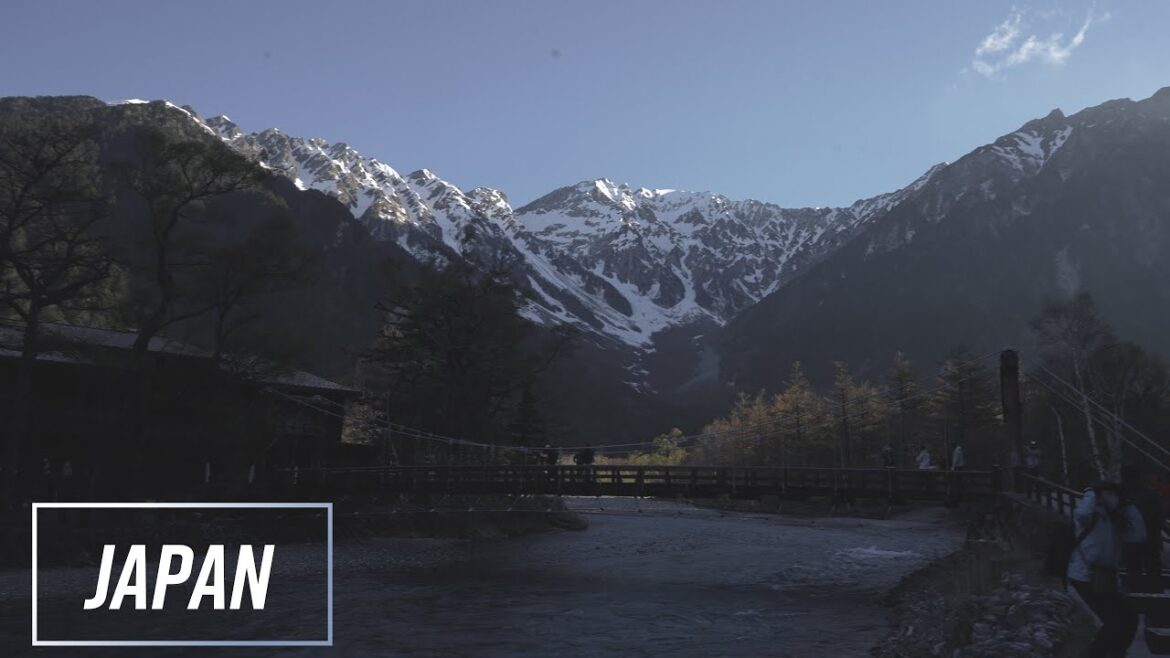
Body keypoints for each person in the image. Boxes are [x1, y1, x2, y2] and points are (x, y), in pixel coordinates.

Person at [1068, 481, 1146, 658]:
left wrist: (1129, 506)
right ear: (1099, 495)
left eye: (1115, 494)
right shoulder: (1092, 515)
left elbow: (1138, 535)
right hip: (1084, 575)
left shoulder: (1115, 519)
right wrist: (1090, 493)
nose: (1112, 497)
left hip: (1106, 577)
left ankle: (1116, 653)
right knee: (1114, 621)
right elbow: (1080, 514)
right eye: (1107, 493)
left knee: (1130, 619)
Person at [1121, 464, 1164, 591]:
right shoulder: (1150, 494)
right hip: (1151, 536)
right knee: (1152, 567)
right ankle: (1155, 591)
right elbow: (1158, 516)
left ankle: (1136, 591)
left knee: (1134, 568)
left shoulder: (1123, 494)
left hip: (1133, 537)